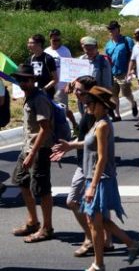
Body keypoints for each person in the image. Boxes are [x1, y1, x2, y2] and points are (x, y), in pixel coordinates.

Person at [80, 86, 139, 270]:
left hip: (100, 178)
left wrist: (92, 186)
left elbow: (102, 158)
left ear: (102, 105)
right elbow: (89, 144)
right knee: (97, 220)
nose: (87, 105)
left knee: (94, 223)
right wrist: (69, 146)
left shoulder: (103, 125)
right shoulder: (97, 122)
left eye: (90, 102)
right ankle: (131, 243)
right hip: (95, 177)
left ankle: (98, 264)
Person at [51, 75, 103, 258]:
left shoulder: (96, 112)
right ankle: (102, 239)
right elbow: (83, 139)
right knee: (86, 204)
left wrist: (70, 146)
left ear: (90, 91)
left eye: (80, 90)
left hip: (92, 164)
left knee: (78, 203)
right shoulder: (86, 107)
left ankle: (94, 242)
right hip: (83, 162)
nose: (76, 92)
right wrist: (67, 148)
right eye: (75, 89)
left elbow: (94, 141)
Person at [11, 64, 55, 243]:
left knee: (42, 190)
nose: (22, 83)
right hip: (27, 148)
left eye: (26, 80)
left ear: (33, 81)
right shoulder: (29, 97)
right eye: (20, 79)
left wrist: (32, 154)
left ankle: (47, 228)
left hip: (40, 150)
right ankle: (33, 221)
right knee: (21, 181)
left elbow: (45, 129)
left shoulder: (39, 99)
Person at [104, 21, 137, 121]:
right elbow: (107, 58)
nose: (111, 31)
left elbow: (133, 55)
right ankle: (117, 115)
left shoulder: (127, 40)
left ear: (118, 29)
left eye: (113, 29)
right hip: (112, 73)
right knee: (114, 95)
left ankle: (133, 103)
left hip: (124, 72)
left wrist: (132, 70)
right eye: (109, 29)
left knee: (126, 93)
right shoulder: (108, 44)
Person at [45, 28, 75, 127]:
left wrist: (69, 84)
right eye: (54, 40)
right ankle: (70, 126)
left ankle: (70, 127)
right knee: (51, 109)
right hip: (50, 85)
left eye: (58, 40)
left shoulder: (65, 51)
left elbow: (70, 68)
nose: (56, 42)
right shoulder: (46, 51)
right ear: (50, 40)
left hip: (62, 85)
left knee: (62, 109)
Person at [26, 33, 58, 99]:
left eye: (31, 43)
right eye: (28, 43)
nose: (28, 45)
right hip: (32, 93)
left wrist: (44, 89)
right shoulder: (29, 60)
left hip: (46, 95)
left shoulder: (48, 59)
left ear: (39, 44)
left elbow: (55, 79)